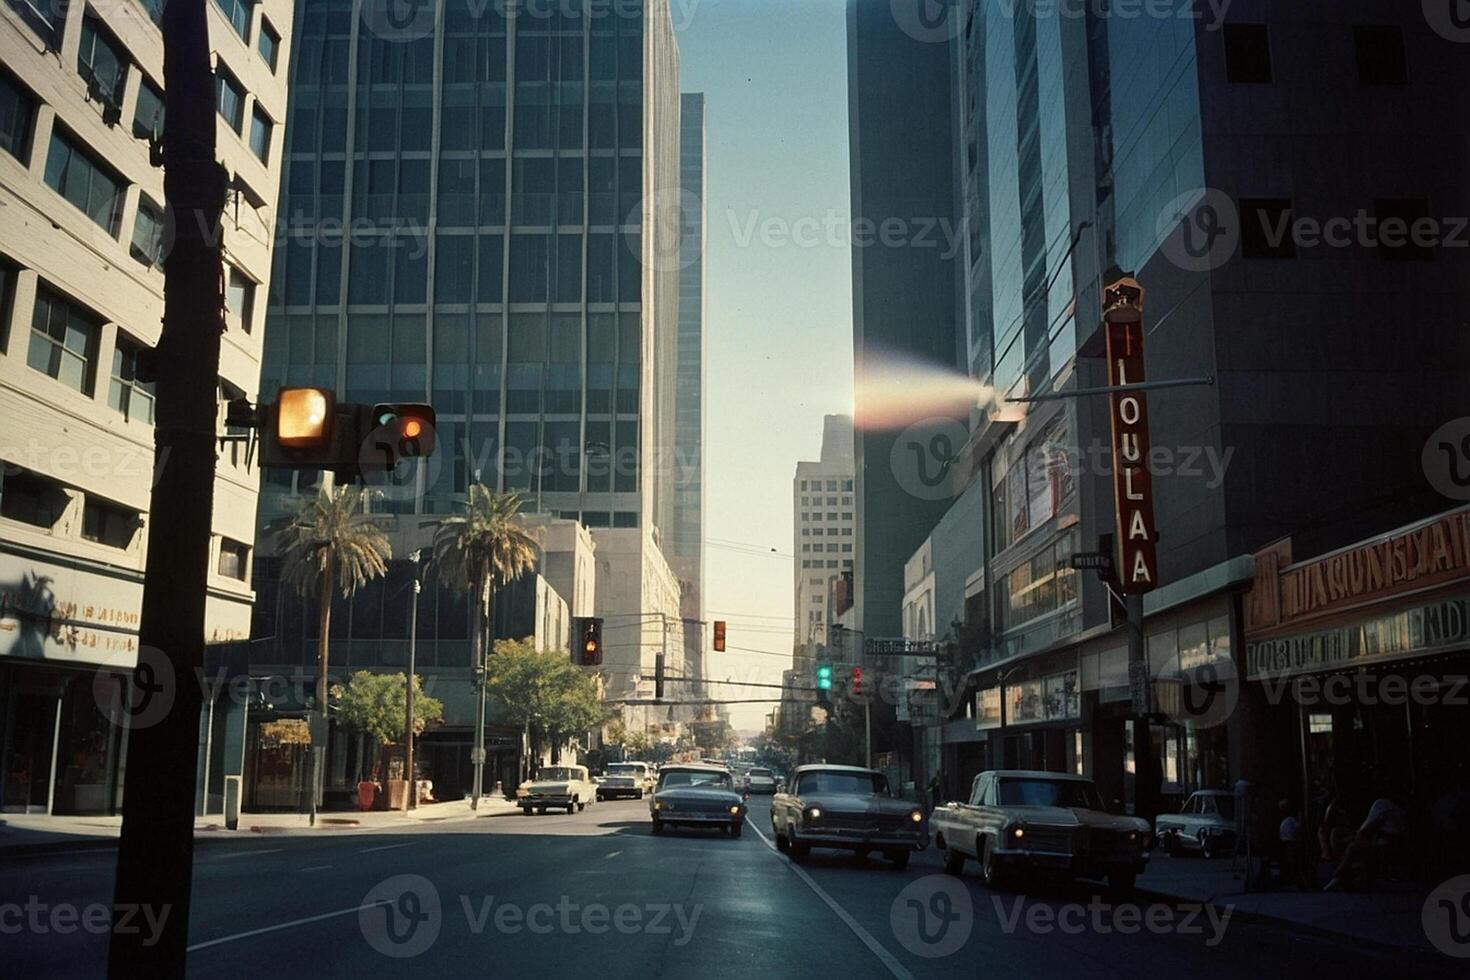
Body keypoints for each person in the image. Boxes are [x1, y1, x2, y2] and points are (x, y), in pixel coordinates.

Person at [1324, 793, 1410, 891]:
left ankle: (1337, 877)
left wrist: (1351, 838)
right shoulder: (1401, 811)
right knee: (1355, 843)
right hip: (1393, 846)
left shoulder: (1382, 804)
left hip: (1385, 846)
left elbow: (1365, 828)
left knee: (1353, 846)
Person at [1278, 799, 1309, 888]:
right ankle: (1296, 879)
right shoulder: (1291, 820)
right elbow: (1299, 828)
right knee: (1294, 861)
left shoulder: (1286, 821)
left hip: (1287, 841)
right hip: (1291, 842)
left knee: (1292, 860)